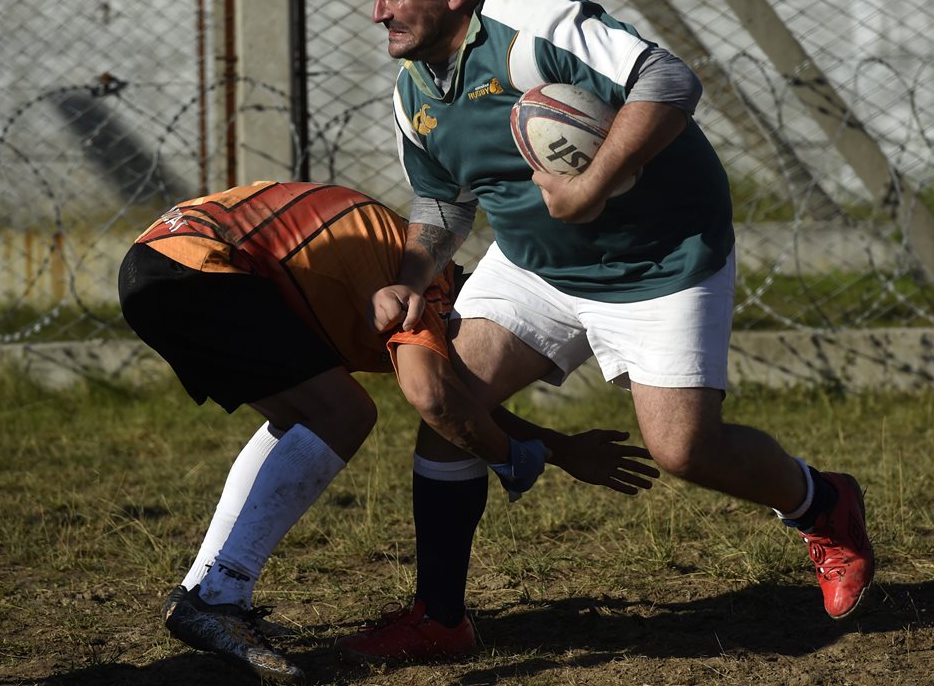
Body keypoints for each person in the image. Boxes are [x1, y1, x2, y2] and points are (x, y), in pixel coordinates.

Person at [336, 0, 874, 662]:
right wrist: (411, 276)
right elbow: (443, 200)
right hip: (535, 266)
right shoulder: (413, 90)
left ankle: (823, 504)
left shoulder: (527, 23)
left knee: (684, 450)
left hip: (660, 261)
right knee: (449, 403)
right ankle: (440, 617)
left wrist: (589, 188)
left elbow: (669, 77)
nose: (377, 13)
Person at [117, 180, 659, 683]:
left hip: (162, 261)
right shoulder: (433, 288)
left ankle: (203, 593)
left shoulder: (413, 267)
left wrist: (559, 448)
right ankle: (219, 597)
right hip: (200, 265)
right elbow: (440, 399)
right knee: (345, 414)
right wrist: (515, 460)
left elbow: (455, 400)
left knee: (301, 416)